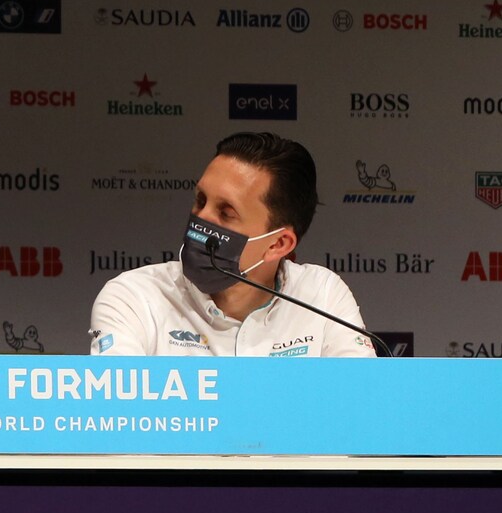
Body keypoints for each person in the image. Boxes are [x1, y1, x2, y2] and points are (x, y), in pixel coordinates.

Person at [88, 131, 373, 357]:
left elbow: (362, 401)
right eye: (200, 201)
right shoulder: (135, 298)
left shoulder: (321, 296)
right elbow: (118, 408)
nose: (201, 218)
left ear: (278, 244)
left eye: (226, 213)